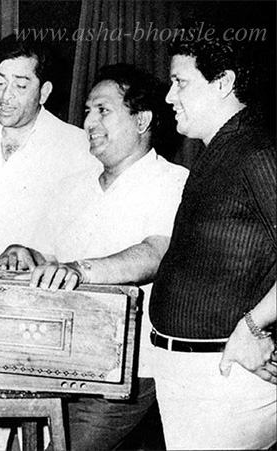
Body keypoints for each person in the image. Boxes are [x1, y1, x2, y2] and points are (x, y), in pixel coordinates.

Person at [0, 64, 189, 450]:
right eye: (86, 111)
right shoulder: (72, 187)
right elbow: (49, 256)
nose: (88, 122)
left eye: (103, 110)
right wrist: (26, 254)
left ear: (142, 120)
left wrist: (77, 272)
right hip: (56, 361)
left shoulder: (173, 183)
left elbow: (155, 254)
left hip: (129, 372)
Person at [148, 20, 276, 449]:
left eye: (180, 83)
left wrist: (254, 327)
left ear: (223, 83)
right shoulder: (217, 150)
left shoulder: (257, 150)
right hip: (192, 375)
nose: (169, 96)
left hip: (224, 378)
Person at [0, 34, 100, 258]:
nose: (5, 96)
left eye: (20, 86)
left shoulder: (76, 145)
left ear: (44, 92)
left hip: (42, 284)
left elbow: (85, 235)